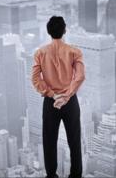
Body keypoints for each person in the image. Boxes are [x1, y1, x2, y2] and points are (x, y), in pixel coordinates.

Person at [31, 16, 85, 178]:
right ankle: (75, 175)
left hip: (50, 102)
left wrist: (53, 95)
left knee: (49, 141)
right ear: (64, 30)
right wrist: (66, 96)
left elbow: (35, 79)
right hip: (70, 102)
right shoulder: (75, 51)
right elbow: (80, 77)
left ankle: (51, 175)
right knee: (74, 141)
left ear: (49, 32)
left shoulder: (40, 53)